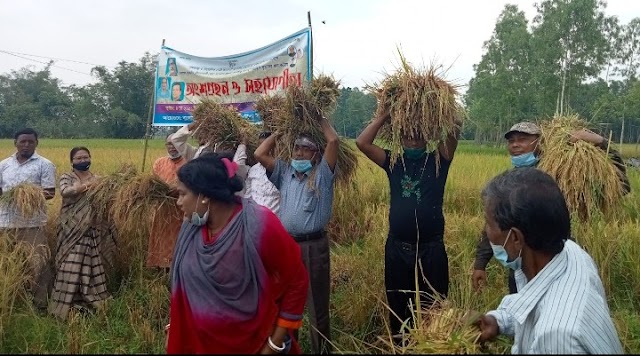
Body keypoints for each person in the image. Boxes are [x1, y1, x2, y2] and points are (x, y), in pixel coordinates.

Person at [166, 152, 309, 354]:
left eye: (182, 194)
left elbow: (296, 280)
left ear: (205, 196)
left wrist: (274, 344)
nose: (178, 202)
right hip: (199, 344)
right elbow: (184, 288)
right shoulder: (191, 228)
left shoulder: (259, 225)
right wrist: (177, 327)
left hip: (253, 344)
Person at [472, 122, 631, 294]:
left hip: (561, 260)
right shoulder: (510, 182)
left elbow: (620, 185)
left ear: (541, 142)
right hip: (523, 264)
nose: (515, 145)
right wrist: (480, 263)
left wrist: (601, 142)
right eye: (511, 141)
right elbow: (496, 223)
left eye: (523, 139)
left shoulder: (566, 174)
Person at [477, 167, 623, 354]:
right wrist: (499, 321)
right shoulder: (568, 251)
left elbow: (552, 321)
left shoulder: (556, 338)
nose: (486, 231)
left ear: (515, 238)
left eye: (488, 224)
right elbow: (537, 303)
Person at [355, 109, 461, 343]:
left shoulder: (438, 160)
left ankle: (432, 343)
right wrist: (384, 115)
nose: (412, 140)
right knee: (399, 303)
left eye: (417, 135)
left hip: (431, 249)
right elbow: (362, 143)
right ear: (399, 138)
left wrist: (437, 116)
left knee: (434, 303)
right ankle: (401, 345)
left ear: (426, 138)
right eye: (407, 136)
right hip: (398, 248)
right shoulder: (394, 161)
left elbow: (455, 128)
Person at [254, 117, 339, 354]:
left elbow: (333, 141)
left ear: (316, 154)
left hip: (313, 246)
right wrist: (282, 131)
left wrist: (316, 115)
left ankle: (321, 350)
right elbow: (260, 153)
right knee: (288, 302)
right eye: (297, 148)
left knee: (316, 305)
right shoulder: (285, 172)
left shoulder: (322, 174)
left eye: (306, 149)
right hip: (288, 247)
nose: (300, 153)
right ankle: (292, 348)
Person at [49, 147, 118, 319]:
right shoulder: (67, 177)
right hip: (70, 229)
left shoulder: (99, 179)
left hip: (91, 229)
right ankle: (64, 305)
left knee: (91, 265)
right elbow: (66, 191)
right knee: (68, 264)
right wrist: (89, 185)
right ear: (72, 161)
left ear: (90, 158)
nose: (82, 160)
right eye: (78, 158)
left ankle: (89, 301)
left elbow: (107, 200)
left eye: (85, 157)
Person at [0, 128, 56, 312]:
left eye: (30, 142)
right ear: (15, 143)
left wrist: (26, 196)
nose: (26, 145)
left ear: (36, 143)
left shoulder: (44, 164)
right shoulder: (4, 165)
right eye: (22, 141)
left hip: (32, 223)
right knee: (8, 262)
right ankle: (12, 298)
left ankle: (41, 304)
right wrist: (9, 196)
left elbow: (50, 192)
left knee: (38, 262)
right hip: (6, 222)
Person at [147, 135, 186, 269]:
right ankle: (159, 267)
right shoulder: (159, 163)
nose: (171, 147)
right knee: (160, 239)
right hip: (162, 211)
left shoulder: (189, 162)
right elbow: (151, 182)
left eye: (174, 143)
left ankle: (177, 267)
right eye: (168, 144)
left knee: (178, 239)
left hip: (181, 211)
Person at [244, 131, 280, 214]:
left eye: (265, 146)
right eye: (260, 146)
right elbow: (247, 195)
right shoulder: (253, 170)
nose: (262, 149)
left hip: (273, 221)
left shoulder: (281, 170)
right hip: (254, 219)